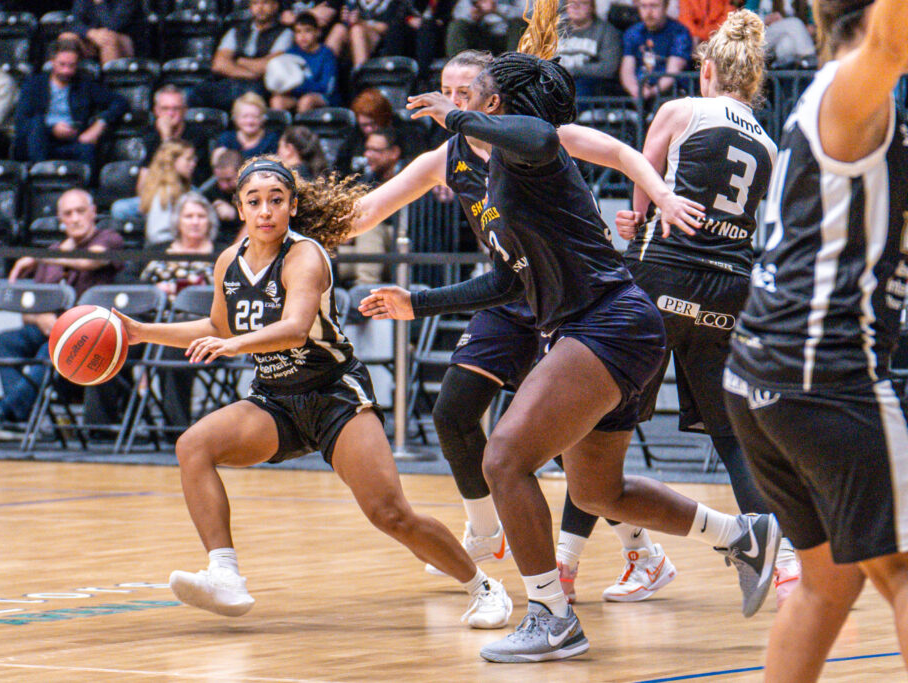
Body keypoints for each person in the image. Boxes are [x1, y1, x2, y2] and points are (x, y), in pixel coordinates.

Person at [361, 23, 779, 664]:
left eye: (480, 94)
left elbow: (537, 132)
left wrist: (455, 118)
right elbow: (506, 278)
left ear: (495, 105)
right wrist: (418, 303)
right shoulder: (504, 171)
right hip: (614, 330)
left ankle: (552, 616)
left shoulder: (535, 150)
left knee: (504, 458)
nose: (470, 101)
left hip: (605, 325)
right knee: (595, 493)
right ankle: (741, 535)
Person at [349, 45, 703, 605]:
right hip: (512, 290)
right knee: (458, 413)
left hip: (572, 299)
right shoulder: (449, 156)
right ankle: (489, 538)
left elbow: (620, 152)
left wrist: (660, 197)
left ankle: (626, 557)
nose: (451, 102)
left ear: (492, 98)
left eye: (463, 94)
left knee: (563, 451)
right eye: (446, 91)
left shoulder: (539, 143)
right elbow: (366, 212)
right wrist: (303, 222)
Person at [112, 157, 514, 630]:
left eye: (276, 201)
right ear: (239, 208)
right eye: (254, 201)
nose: (265, 211)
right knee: (193, 446)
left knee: (390, 514)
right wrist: (142, 331)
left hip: (334, 395)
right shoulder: (229, 261)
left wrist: (234, 344)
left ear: (292, 206)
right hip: (275, 399)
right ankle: (225, 575)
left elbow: (296, 329)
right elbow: (216, 325)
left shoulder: (305, 255)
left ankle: (484, 588)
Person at [723, 1, 908, 679]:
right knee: (902, 567)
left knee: (831, 580)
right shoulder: (849, 89)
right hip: (822, 377)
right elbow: (891, 38)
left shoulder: (833, 105)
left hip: (761, 380)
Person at [610, 8, 801, 609]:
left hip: (664, 271)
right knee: (731, 431)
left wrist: (634, 218)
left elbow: (644, 182)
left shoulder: (680, 110)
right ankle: (787, 558)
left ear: (710, 69)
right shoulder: (769, 143)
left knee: (600, 419)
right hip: (730, 287)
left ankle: (593, 564)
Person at [0, 189, 123, 440]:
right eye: (68, 214)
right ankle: (18, 419)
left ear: (94, 212)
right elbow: (28, 311)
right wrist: (40, 317)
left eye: (81, 211)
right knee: (6, 340)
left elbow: (89, 262)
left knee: (53, 349)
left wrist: (40, 256)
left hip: (92, 339)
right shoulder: (51, 252)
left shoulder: (109, 239)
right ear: (60, 219)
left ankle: (7, 412)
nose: (75, 219)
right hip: (50, 332)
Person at [139, 192, 218, 428]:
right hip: (154, 324)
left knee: (172, 350)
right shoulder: (159, 250)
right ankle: (101, 428)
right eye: (188, 216)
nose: (195, 221)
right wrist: (154, 289)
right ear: (177, 221)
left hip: (203, 330)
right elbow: (127, 277)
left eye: (201, 216)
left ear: (209, 221)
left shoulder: (222, 253)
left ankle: (175, 429)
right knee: (115, 343)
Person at [12, 40, 128, 167]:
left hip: (72, 140)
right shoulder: (34, 84)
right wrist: (51, 130)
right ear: (52, 61)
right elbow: (21, 121)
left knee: (87, 149)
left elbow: (119, 102)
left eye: (71, 65)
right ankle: (41, 174)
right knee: (37, 124)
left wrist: (100, 124)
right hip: (40, 140)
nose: (66, 71)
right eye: (62, 64)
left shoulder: (84, 84)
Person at [111, 85, 212, 222]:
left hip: (187, 196)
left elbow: (184, 181)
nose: (170, 114)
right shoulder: (150, 136)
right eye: (165, 109)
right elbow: (143, 184)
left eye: (176, 108)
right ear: (156, 111)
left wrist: (166, 137)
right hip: (157, 196)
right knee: (119, 209)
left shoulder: (197, 135)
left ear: (184, 110)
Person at [189, 0, 293, 111]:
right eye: (255, 3)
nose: (260, 8)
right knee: (197, 91)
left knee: (251, 93)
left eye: (265, 3)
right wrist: (251, 74)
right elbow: (219, 65)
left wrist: (239, 61)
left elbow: (269, 65)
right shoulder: (236, 30)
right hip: (231, 82)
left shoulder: (285, 33)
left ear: (275, 6)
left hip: (260, 86)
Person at [338, 127, 403, 288]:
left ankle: (365, 289)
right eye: (367, 149)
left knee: (371, 226)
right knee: (329, 257)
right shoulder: (365, 180)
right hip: (370, 248)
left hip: (401, 242)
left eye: (375, 151)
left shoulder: (407, 176)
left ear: (394, 152)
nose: (367, 155)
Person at [620, 0, 694, 101]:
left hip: (671, 93)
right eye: (643, 6)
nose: (649, 12)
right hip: (638, 91)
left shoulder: (679, 33)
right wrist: (635, 90)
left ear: (666, 6)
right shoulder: (633, 33)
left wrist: (651, 92)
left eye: (654, 6)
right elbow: (627, 70)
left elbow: (672, 73)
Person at [269, 12, 339, 113]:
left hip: (324, 97)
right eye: (298, 32)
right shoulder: (291, 53)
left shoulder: (326, 54)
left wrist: (298, 86)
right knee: (277, 101)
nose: (302, 36)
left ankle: (302, 128)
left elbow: (327, 87)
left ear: (318, 32)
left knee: (306, 101)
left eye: (307, 31)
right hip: (297, 96)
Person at [556, 0, 623, 97]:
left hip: (587, 84)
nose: (575, 7)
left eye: (582, 3)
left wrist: (573, 71)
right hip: (555, 79)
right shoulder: (554, 29)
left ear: (592, 7)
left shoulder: (607, 32)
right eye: (571, 3)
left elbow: (608, 68)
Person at [140, 140, 198, 245]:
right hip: (165, 253)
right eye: (188, 160)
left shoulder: (189, 190)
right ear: (173, 161)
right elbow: (158, 235)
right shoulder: (164, 192)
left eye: (194, 159)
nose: (193, 164)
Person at [327, 0, 409, 67]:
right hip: (349, 35)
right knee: (338, 29)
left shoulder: (390, 2)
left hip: (376, 39)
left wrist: (360, 22)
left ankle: (362, 82)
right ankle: (321, 78)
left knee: (357, 30)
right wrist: (346, 18)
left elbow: (386, 27)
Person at [60, 0, 141, 64]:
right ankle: (67, 81)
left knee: (108, 38)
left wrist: (100, 3)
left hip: (123, 41)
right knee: (67, 37)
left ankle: (110, 82)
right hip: (92, 38)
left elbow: (113, 25)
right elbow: (73, 22)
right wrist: (90, 33)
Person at [335, 87, 393, 176]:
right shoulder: (352, 141)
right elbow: (339, 173)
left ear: (384, 119)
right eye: (364, 125)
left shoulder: (399, 136)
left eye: (373, 124)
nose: (369, 129)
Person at [444, 0, 528, 58]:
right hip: (483, 36)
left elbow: (530, 14)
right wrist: (473, 16)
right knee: (457, 26)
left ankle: (514, 67)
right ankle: (460, 67)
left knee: (519, 24)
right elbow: (458, 14)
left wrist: (497, 9)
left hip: (509, 37)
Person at [214, 92, 281, 161]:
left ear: (263, 118)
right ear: (236, 118)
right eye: (245, 116)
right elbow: (218, 166)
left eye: (255, 117)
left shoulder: (273, 140)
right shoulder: (226, 139)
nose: (249, 121)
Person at [200, 147, 245, 246]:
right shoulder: (209, 193)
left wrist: (235, 215)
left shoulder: (251, 191)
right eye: (220, 180)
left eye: (228, 180)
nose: (223, 185)